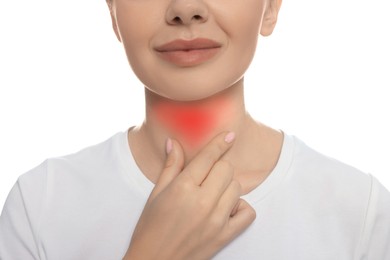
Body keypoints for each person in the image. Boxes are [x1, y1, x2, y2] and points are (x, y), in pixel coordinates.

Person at [1, 0, 389, 259]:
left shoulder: (359, 209)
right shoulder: (40, 204)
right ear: (112, 11)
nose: (185, 9)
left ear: (270, 7)